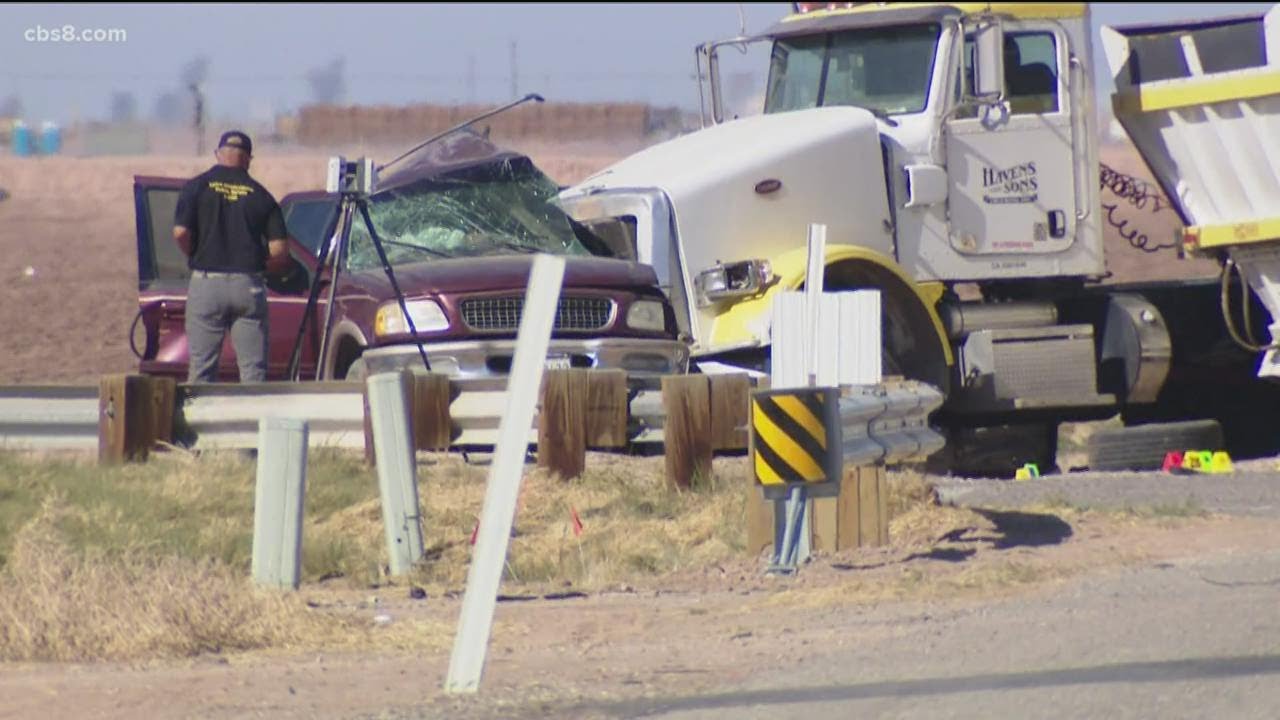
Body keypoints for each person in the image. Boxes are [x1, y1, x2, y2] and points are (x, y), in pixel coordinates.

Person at [173, 130, 290, 383]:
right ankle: (251, 420)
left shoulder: (195, 187)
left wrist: (194, 253)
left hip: (206, 282)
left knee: (202, 369)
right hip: (247, 284)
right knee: (253, 371)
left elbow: (180, 232)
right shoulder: (262, 195)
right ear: (248, 159)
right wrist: (258, 265)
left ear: (218, 154)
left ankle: (199, 422)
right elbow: (280, 250)